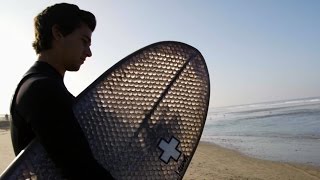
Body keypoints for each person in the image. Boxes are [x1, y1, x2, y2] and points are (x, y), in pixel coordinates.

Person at [10, 3, 114, 179]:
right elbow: (83, 171)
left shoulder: (34, 83)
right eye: (84, 41)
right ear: (58, 33)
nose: (88, 53)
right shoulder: (42, 89)